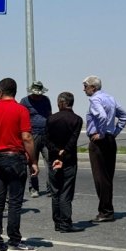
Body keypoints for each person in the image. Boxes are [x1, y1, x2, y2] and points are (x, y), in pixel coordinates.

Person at [0, 78, 39, 251]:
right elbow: (27, 138)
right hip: (15, 158)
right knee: (14, 202)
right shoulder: (21, 110)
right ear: (15, 91)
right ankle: (14, 241)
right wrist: (33, 161)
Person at [83, 75, 126, 223]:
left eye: (86, 86)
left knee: (100, 177)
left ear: (93, 88)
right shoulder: (110, 98)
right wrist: (114, 132)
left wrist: (101, 133)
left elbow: (101, 116)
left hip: (100, 142)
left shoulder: (95, 99)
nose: (84, 89)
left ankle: (105, 212)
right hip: (110, 140)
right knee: (108, 177)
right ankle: (107, 209)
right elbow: (124, 116)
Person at [46, 92, 84, 233]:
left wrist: (56, 152)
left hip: (53, 159)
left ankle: (57, 222)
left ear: (60, 103)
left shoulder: (51, 119)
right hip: (69, 160)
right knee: (66, 192)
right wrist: (64, 152)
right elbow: (73, 140)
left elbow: (46, 139)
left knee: (55, 192)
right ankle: (66, 223)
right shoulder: (77, 120)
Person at [20, 81, 52, 198]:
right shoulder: (24, 101)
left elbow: (49, 115)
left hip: (46, 134)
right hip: (32, 135)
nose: (38, 96)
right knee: (32, 163)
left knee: (50, 161)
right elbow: (21, 119)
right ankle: (34, 188)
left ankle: (50, 188)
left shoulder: (46, 100)